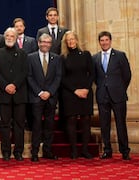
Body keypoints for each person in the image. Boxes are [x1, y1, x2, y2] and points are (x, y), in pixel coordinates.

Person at [93, 31, 132, 160]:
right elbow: (95, 77)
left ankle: (125, 151)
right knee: (104, 125)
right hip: (102, 95)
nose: (104, 42)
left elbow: (127, 75)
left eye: (106, 40)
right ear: (99, 42)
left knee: (121, 123)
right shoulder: (95, 58)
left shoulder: (120, 55)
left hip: (118, 96)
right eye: (102, 40)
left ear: (110, 41)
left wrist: (120, 88)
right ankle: (107, 150)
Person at [0, 27, 28, 161]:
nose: (9, 38)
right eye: (7, 36)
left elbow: (24, 72)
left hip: (19, 94)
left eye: (12, 36)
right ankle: (6, 151)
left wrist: (14, 85)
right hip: (4, 94)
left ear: (16, 37)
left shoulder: (23, 53)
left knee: (19, 124)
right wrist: (6, 85)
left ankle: (18, 151)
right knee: (5, 124)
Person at [27, 33, 61, 162]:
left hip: (51, 98)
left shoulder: (56, 58)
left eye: (48, 42)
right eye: (43, 42)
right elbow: (29, 76)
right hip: (36, 97)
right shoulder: (31, 58)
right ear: (38, 43)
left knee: (49, 126)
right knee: (36, 125)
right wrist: (40, 92)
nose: (45, 44)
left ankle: (47, 151)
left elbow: (58, 76)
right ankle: (34, 152)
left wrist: (50, 92)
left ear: (50, 44)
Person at [60, 31, 94, 159]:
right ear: (65, 42)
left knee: (86, 121)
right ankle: (74, 150)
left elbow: (92, 74)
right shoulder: (63, 57)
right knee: (72, 121)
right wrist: (75, 90)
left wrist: (86, 89)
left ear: (77, 40)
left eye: (72, 39)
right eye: (68, 40)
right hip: (70, 93)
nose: (71, 42)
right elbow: (62, 78)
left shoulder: (86, 54)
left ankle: (85, 150)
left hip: (86, 92)